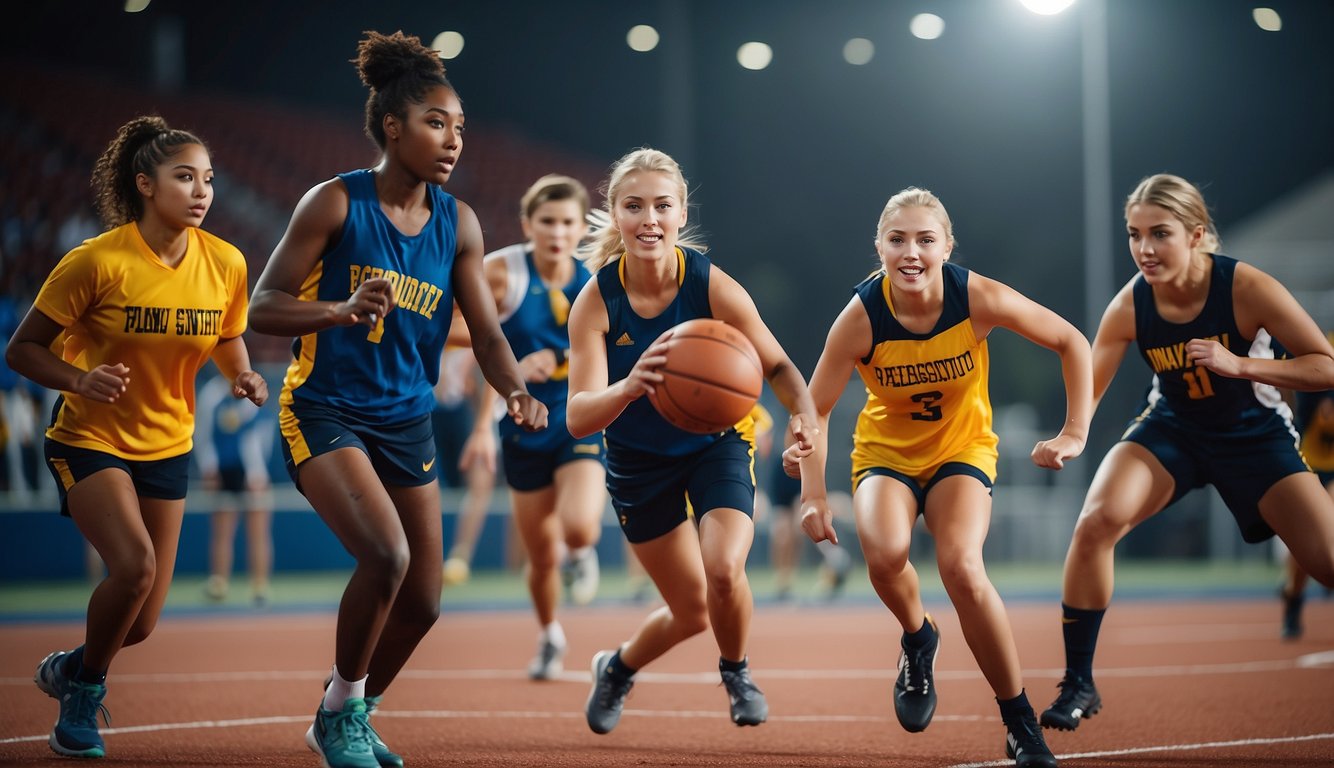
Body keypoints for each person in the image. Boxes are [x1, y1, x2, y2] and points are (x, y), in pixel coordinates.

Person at [247, 31, 546, 768]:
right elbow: (262, 307)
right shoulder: (335, 203)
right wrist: (339, 309)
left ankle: (344, 709)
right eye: (436, 123)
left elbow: (487, 333)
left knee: (424, 601)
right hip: (325, 408)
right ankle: (342, 715)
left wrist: (515, 391)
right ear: (392, 127)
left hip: (404, 417)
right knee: (385, 555)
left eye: (460, 128)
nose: (452, 141)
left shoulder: (460, 223)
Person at [795, 187, 1089, 768]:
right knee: (883, 555)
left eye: (926, 240)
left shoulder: (974, 296)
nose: (911, 252)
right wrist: (811, 495)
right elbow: (813, 409)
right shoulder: (860, 318)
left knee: (961, 565)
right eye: (897, 239)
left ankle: (1019, 723)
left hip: (962, 448)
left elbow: (1070, 341)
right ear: (878, 246)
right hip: (887, 455)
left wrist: (1073, 431)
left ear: (947, 247)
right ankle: (918, 636)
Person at [5, 115, 267, 759]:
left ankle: (71, 665)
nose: (201, 190)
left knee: (142, 620)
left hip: (169, 445)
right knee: (135, 568)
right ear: (145, 184)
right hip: (89, 439)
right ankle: (83, 696)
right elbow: (22, 350)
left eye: (208, 179)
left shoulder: (226, 262)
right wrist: (78, 379)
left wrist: (242, 375)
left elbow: (228, 335)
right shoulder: (95, 261)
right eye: (184, 178)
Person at [1040, 174, 1334, 734]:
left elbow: (1325, 364)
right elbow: (1091, 384)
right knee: (1096, 522)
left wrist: (1242, 365)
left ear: (1197, 235)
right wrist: (1072, 435)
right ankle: (1079, 681)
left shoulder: (1245, 289)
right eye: (1134, 234)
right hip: (1172, 428)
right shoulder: (1130, 303)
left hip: (1255, 434)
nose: (1144, 249)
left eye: (1160, 234)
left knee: (1327, 563)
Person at [566, 147, 824, 734]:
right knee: (689, 611)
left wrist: (802, 415)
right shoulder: (596, 302)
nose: (649, 219)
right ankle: (618, 668)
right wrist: (630, 386)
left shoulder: (710, 285)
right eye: (634, 206)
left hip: (716, 444)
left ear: (682, 214)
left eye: (662, 206)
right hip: (638, 462)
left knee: (724, 570)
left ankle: (736, 670)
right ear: (616, 213)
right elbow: (579, 418)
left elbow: (780, 367)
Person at [465, 174, 607, 680]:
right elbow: (471, 341)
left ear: (580, 227)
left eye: (568, 222)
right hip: (523, 423)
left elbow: (619, 343)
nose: (558, 231)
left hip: (579, 417)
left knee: (578, 525)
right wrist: (488, 417)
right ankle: (550, 635)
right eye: (547, 221)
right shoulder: (501, 273)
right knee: (540, 554)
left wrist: (563, 356)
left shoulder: (597, 276)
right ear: (528, 224)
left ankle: (583, 550)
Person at [196, 369, 275, 606]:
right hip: (223, 473)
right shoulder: (211, 394)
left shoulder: (254, 393)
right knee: (222, 530)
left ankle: (260, 586)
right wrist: (209, 468)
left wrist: (257, 474)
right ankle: (219, 582)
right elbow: (202, 434)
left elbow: (259, 435)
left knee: (259, 531)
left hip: (253, 475)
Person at [434, 346, 497, 587]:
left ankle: (460, 557)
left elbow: (491, 349)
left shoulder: (475, 321)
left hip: (463, 411)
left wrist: (483, 425)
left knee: (482, 477)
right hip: (422, 407)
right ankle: (416, 556)